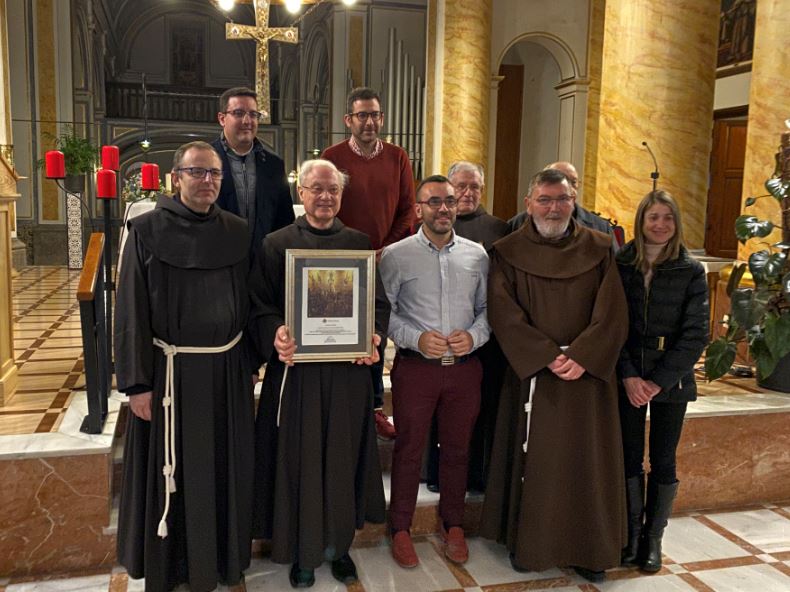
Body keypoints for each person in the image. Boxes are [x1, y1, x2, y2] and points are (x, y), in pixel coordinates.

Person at [114, 141, 254, 592]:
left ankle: (219, 561)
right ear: (177, 178)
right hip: (167, 375)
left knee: (220, 469)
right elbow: (130, 310)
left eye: (214, 173)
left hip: (224, 371)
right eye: (197, 172)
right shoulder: (147, 230)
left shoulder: (237, 231)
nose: (207, 180)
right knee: (171, 475)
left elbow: (249, 304)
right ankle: (171, 565)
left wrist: (249, 363)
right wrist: (137, 383)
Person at [480, 168, 628, 583]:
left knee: (587, 463)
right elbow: (502, 312)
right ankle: (532, 545)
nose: (553, 207)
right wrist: (545, 356)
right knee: (535, 460)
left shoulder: (600, 248)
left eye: (562, 199)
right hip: (533, 376)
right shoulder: (506, 252)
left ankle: (590, 549)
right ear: (529, 204)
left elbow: (613, 310)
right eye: (544, 199)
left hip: (588, 380)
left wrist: (582, 355)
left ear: (574, 201)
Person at [249, 159, 388, 588]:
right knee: (301, 462)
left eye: (333, 190)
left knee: (343, 460)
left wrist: (374, 337)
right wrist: (276, 334)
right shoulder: (276, 244)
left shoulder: (358, 243)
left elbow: (376, 306)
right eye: (316, 189)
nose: (325, 197)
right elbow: (259, 305)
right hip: (298, 379)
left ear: (340, 196)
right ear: (301, 193)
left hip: (347, 376)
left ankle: (339, 547)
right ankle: (301, 552)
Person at [379, 175, 489, 568]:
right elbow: (382, 314)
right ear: (419, 209)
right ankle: (402, 527)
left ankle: (452, 523)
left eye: (449, 201)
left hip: (463, 370)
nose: (443, 208)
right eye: (434, 202)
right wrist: (414, 337)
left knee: (458, 451)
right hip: (416, 369)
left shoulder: (477, 255)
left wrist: (474, 337)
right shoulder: (396, 255)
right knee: (409, 449)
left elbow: (486, 311)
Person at [616, 190, 709, 573]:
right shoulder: (621, 264)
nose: (660, 225)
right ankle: (629, 535)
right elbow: (610, 324)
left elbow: (696, 334)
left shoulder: (690, 270)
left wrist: (658, 381)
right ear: (641, 220)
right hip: (628, 375)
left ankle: (653, 538)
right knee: (629, 457)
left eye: (667, 218)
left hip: (671, 379)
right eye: (653, 217)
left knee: (664, 460)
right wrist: (628, 375)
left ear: (676, 224)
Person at [322, 86, 416, 441]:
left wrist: (385, 248)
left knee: (375, 332)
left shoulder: (397, 156)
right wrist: (349, 246)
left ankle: (376, 406)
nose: (369, 121)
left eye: (375, 114)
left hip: (385, 259)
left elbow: (407, 207)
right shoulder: (332, 155)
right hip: (342, 259)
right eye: (362, 115)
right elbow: (326, 204)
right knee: (341, 331)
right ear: (348, 120)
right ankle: (342, 403)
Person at [426, 161, 509, 493]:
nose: (468, 193)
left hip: (486, 336)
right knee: (439, 409)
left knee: (481, 409)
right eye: (461, 186)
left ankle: (477, 474)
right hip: (441, 336)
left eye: (475, 187)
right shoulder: (437, 224)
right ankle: (434, 473)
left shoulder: (500, 230)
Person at [212, 86, 295, 259]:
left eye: (253, 114)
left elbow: (284, 220)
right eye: (239, 113)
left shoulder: (274, 164)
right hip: (217, 260)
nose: (247, 120)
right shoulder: (205, 161)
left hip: (263, 263)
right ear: (222, 118)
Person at [508, 161, 618, 250]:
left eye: (573, 182)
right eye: (557, 179)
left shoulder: (601, 228)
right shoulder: (517, 224)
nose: (554, 208)